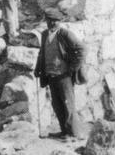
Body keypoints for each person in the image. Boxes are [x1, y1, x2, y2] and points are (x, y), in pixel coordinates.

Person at [34, 8, 86, 139]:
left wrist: (72, 68)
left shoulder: (65, 34)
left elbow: (81, 49)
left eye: (55, 21)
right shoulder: (45, 34)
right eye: (49, 21)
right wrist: (37, 68)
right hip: (51, 75)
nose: (52, 23)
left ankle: (73, 134)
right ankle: (64, 131)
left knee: (68, 104)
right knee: (57, 105)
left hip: (64, 76)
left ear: (59, 21)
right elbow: (42, 53)